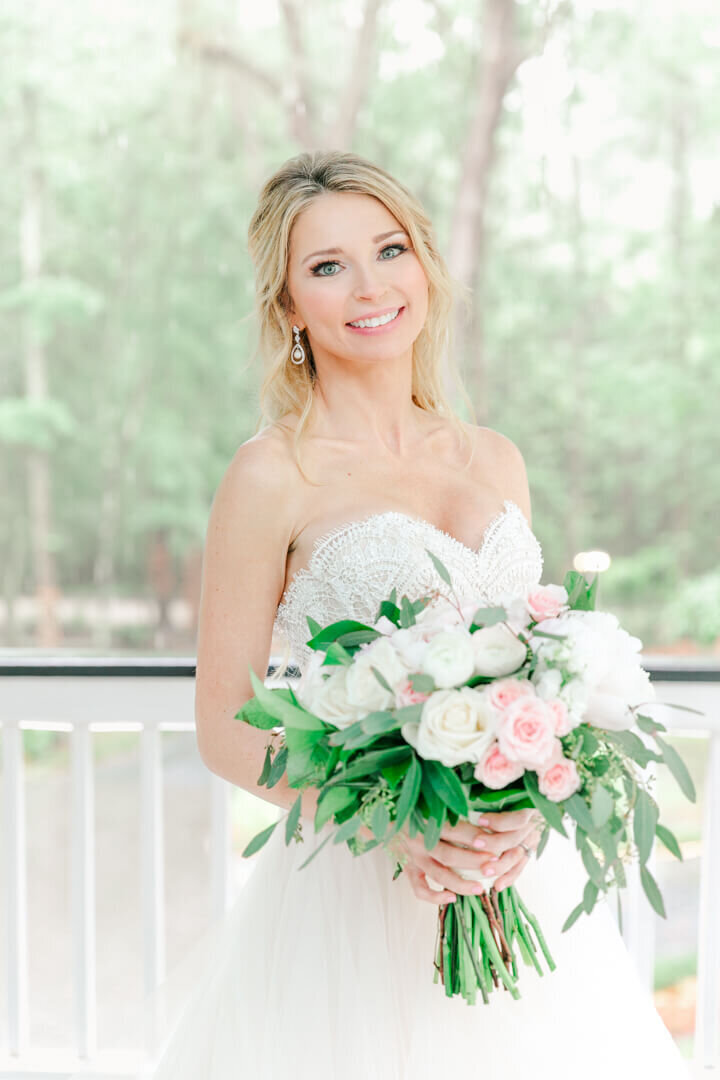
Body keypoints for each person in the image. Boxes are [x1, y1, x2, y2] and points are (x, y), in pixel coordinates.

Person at [145, 150, 690, 1078]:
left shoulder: (494, 458)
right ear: (289, 309)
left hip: (514, 873)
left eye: (390, 249)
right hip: (360, 885)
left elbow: (532, 674)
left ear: (425, 266)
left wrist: (529, 799)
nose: (370, 286)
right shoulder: (273, 473)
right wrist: (395, 821)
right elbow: (223, 726)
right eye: (327, 266)